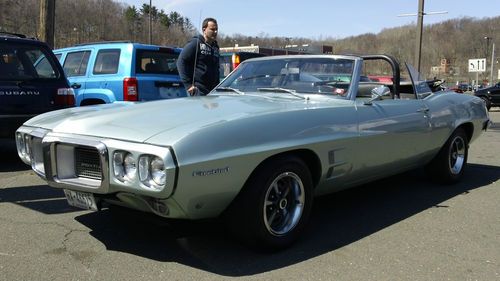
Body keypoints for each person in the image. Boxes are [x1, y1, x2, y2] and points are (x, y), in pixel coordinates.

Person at [177, 17, 220, 96]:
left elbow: (217, 68)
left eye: (216, 29)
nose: (215, 32)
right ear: (204, 30)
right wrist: (188, 85)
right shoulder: (195, 43)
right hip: (199, 90)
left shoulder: (215, 47)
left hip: (213, 91)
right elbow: (181, 61)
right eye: (212, 29)